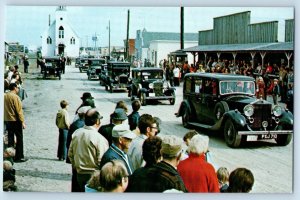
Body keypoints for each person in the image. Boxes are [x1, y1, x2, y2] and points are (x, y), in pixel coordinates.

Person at [68, 108, 109, 192]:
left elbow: (70, 154)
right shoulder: (99, 138)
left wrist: (76, 166)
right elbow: (102, 160)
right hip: (93, 175)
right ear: (97, 121)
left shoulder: (76, 133)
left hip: (79, 174)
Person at [66, 105, 91, 192]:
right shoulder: (83, 126)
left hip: (75, 157)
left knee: (75, 180)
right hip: (83, 157)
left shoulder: (74, 124)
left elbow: (68, 142)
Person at [4, 83, 27, 163]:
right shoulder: (16, 97)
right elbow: (19, 111)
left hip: (7, 120)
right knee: (19, 138)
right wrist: (22, 122)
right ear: (14, 88)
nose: (18, 89)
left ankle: (10, 156)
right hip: (15, 120)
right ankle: (19, 156)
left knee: (10, 138)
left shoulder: (5, 96)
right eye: (17, 87)